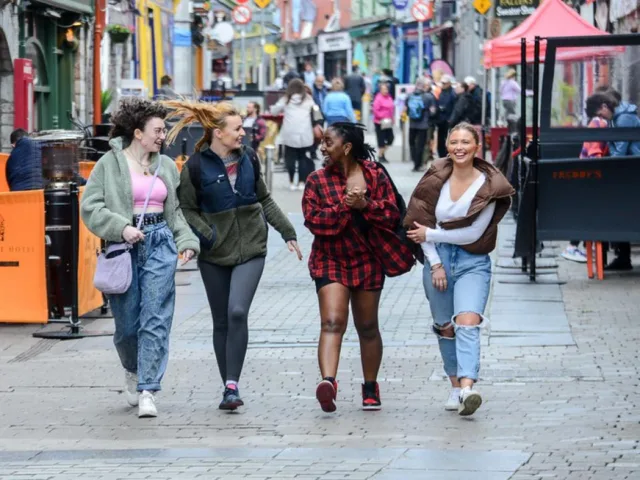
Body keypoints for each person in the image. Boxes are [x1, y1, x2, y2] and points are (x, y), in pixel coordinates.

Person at [166, 100, 303, 411]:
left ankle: (232, 383)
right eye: (237, 128)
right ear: (218, 133)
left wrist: (288, 232)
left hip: (251, 248)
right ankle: (228, 386)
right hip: (215, 252)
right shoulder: (195, 167)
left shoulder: (249, 158)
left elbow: (265, 199)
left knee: (237, 311)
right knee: (221, 321)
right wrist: (208, 235)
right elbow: (186, 208)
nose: (244, 132)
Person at [80, 98, 199, 418]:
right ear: (138, 133)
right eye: (158, 130)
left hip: (160, 243)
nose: (163, 136)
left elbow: (176, 214)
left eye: (164, 130)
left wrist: (186, 241)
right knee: (128, 326)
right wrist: (121, 227)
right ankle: (132, 369)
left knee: (156, 319)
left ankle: (148, 388)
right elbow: (90, 208)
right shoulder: (109, 164)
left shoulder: (168, 167)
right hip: (123, 248)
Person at [302, 122, 414, 413]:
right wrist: (344, 206)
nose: (322, 147)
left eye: (328, 142)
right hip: (330, 258)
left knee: (367, 326)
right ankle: (329, 382)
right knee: (332, 322)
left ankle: (370, 387)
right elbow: (314, 220)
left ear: (347, 147)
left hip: (368, 257)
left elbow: (392, 214)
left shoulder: (375, 175)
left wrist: (365, 205)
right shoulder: (317, 180)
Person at [404, 122, 514, 416]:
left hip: (472, 260)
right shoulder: (435, 177)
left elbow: (473, 234)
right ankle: (454, 385)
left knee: (467, 322)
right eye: (454, 142)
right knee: (445, 326)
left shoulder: (490, 184)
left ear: (477, 147)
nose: (459, 147)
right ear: (447, 146)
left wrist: (432, 234)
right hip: (437, 259)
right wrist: (435, 261)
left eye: (466, 142)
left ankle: (468, 388)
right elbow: (418, 224)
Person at [561, 92, 611, 263]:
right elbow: (595, 152)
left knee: (587, 212)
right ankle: (573, 247)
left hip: (587, 175)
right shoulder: (599, 124)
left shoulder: (595, 122)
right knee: (589, 212)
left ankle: (576, 246)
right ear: (603, 107)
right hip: (591, 176)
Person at [592, 88, 639, 270]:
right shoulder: (618, 118)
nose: (600, 118)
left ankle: (623, 256)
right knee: (614, 205)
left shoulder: (624, 118)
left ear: (605, 106)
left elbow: (619, 150)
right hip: (628, 170)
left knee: (615, 205)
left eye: (599, 113)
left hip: (633, 170)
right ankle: (622, 255)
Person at [271, 78, 317, 190]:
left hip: (289, 133)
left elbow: (274, 111)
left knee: (290, 158)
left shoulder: (286, 99)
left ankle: (292, 182)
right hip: (304, 132)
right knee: (302, 157)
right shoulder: (308, 98)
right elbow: (317, 112)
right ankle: (301, 182)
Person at [407, 78, 437, 172]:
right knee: (421, 145)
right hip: (423, 125)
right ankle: (418, 165)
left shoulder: (409, 96)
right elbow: (433, 111)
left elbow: (406, 109)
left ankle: (414, 161)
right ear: (424, 86)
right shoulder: (428, 97)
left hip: (412, 124)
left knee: (412, 144)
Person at [372, 82, 395, 163]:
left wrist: (392, 119)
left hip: (388, 122)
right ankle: (381, 156)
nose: (386, 91)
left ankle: (381, 154)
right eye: (384, 89)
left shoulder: (389, 97)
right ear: (380, 90)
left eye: (387, 89)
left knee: (390, 139)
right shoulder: (378, 98)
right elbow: (375, 110)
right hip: (380, 122)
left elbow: (392, 109)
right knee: (381, 140)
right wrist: (383, 117)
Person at [436, 75, 457, 159]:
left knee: (449, 138)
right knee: (441, 139)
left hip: (448, 119)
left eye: (444, 83)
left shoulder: (452, 93)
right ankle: (442, 155)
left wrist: (451, 118)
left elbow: (454, 107)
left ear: (449, 83)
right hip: (441, 119)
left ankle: (448, 154)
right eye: (442, 83)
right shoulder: (442, 92)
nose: (443, 85)